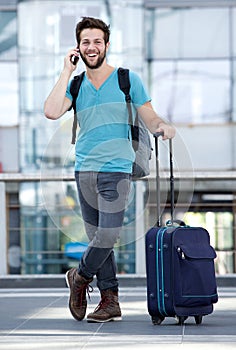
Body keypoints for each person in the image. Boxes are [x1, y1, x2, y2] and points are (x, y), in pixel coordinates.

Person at [44, 16, 175, 323]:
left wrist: (162, 127)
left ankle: (79, 277)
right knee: (97, 239)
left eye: (97, 41)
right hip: (84, 170)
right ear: (78, 47)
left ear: (106, 45)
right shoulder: (75, 84)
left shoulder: (127, 79)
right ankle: (110, 301)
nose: (92, 47)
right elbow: (51, 111)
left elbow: (150, 116)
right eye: (85, 42)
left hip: (116, 169)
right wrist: (67, 70)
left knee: (109, 233)